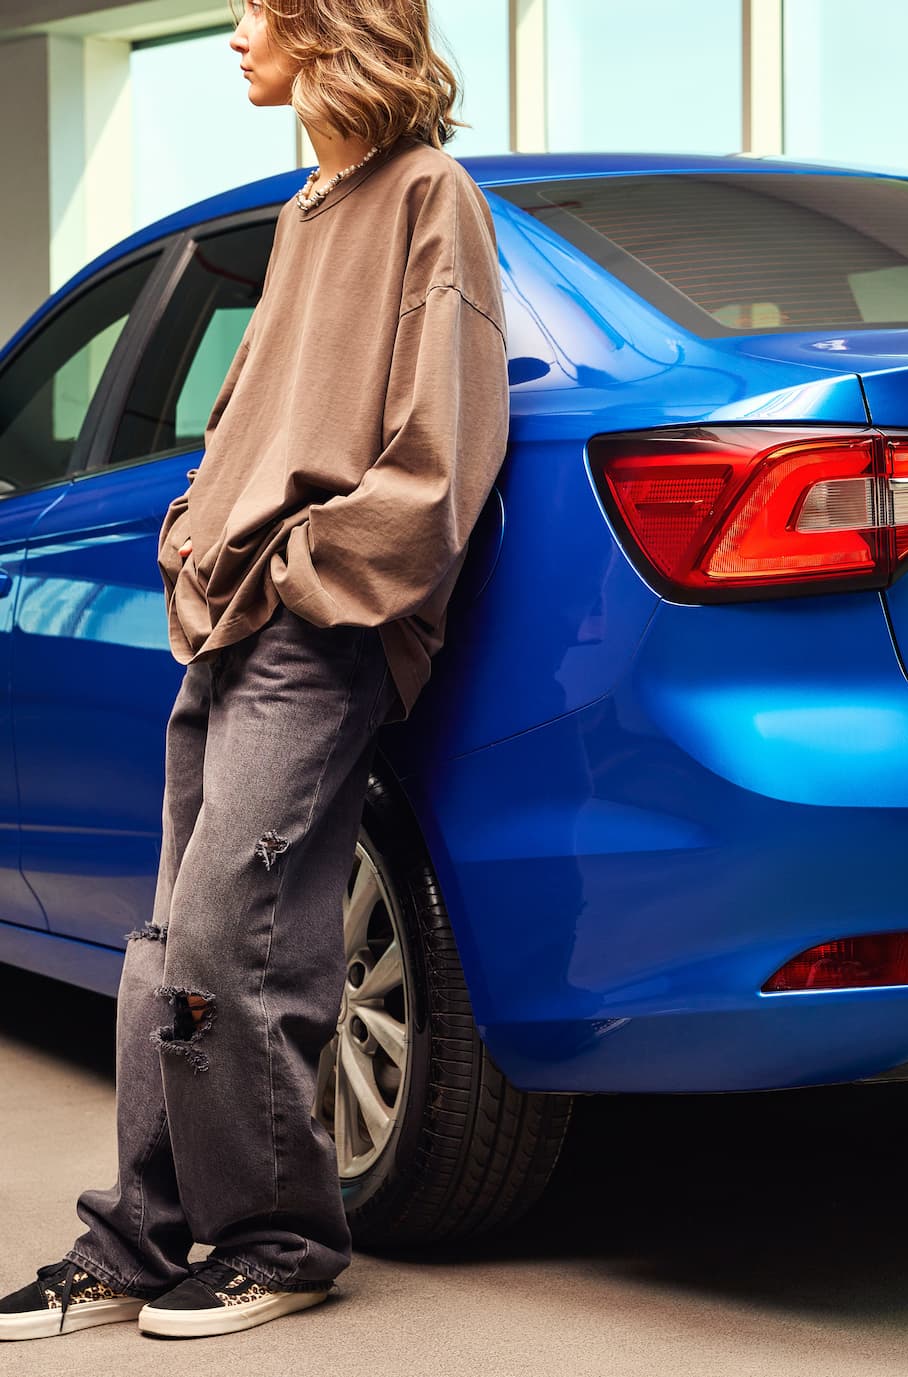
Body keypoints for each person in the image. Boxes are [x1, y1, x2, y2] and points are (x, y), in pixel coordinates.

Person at [0, 0, 509, 1343]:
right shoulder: (304, 211)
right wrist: (192, 538)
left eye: (259, 8)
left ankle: (282, 1234)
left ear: (331, 25)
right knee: (169, 942)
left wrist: (302, 575)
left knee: (235, 935)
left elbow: (442, 445)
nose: (236, 31)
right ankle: (138, 1234)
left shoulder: (429, 197)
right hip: (228, 617)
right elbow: (241, 420)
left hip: (316, 626)